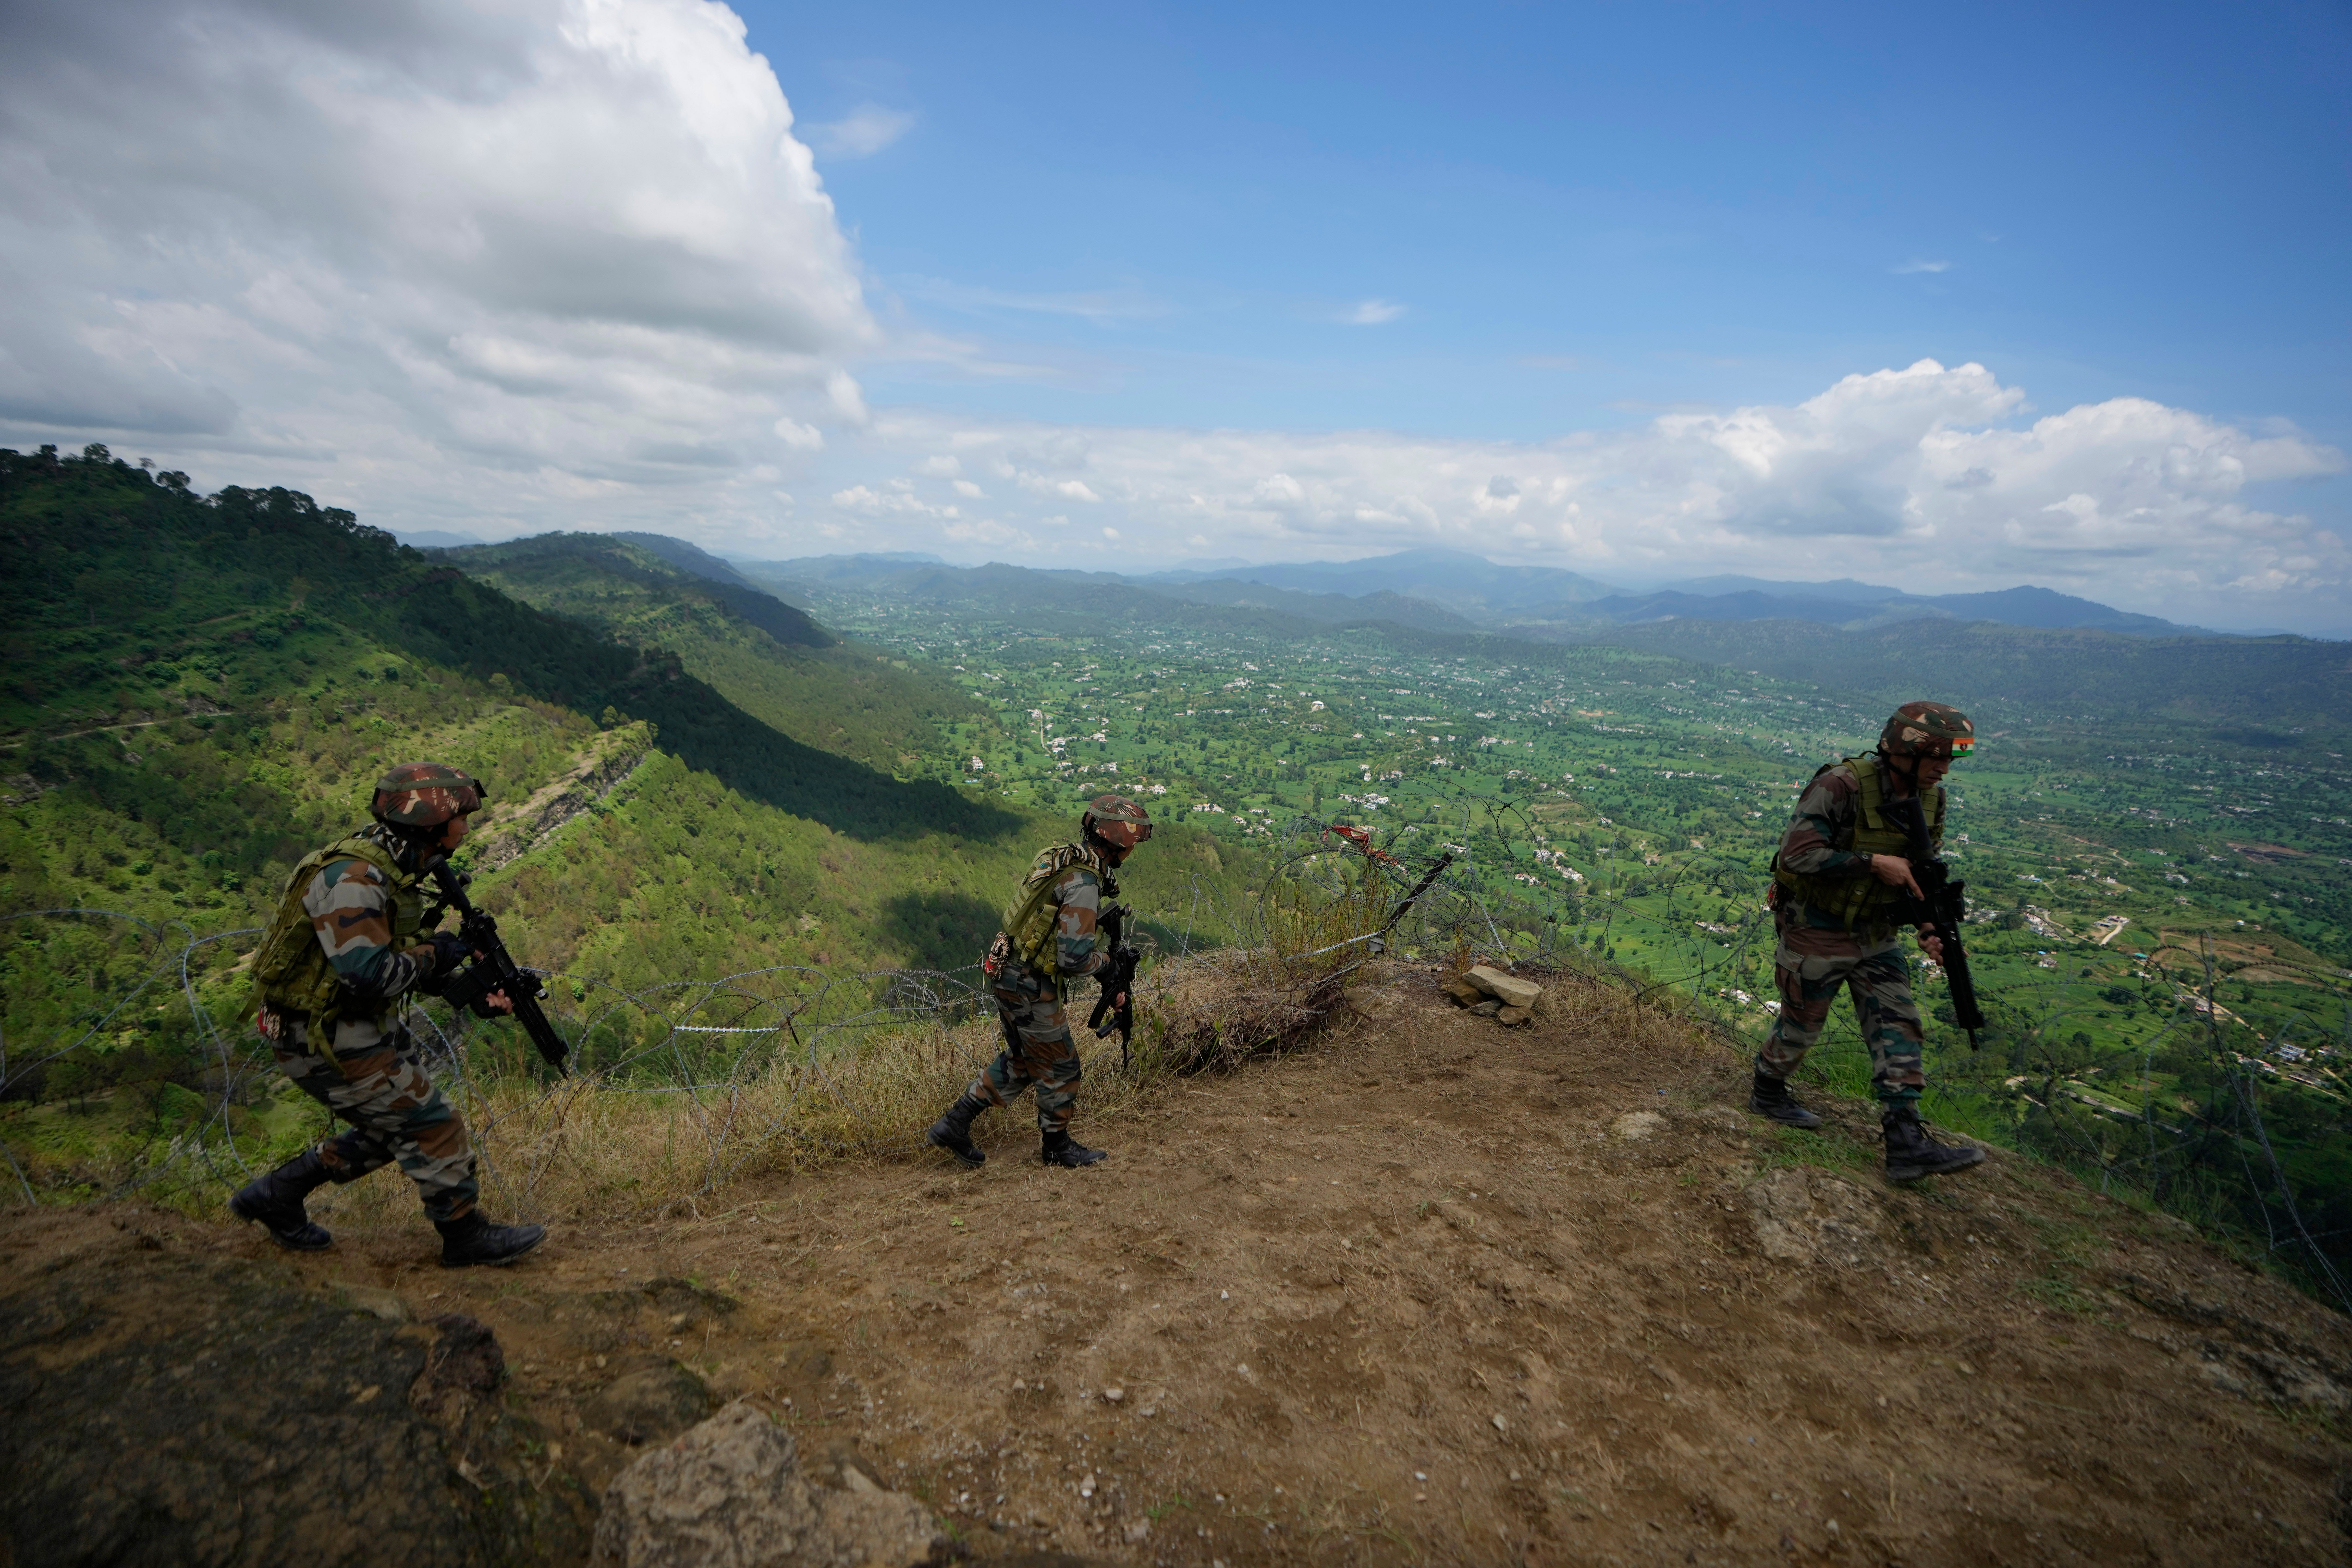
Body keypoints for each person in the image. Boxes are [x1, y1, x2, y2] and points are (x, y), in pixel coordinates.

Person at [230, 762, 548, 1265]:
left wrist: (463, 986)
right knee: (433, 1123)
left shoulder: (395, 865)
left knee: (391, 1128)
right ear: (431, 825)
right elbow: (369, 976)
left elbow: (392, 955)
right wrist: (438, 954)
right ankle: (465, 1237)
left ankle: (276, 1195)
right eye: (461, 818)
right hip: (320, 1036)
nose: (467, 828)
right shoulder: (354, 879)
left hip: (349, 1024)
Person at [1752, 703, 1987, 1183]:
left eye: (1949, 760)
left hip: (1877, 933)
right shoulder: (1842, 785)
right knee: (1801, 1027)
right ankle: (1768, 1090)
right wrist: (1872, 863)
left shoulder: (1931, 801)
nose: (1944, 770)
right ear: (1904, 751)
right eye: (1936, 758)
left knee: (1898, 1023)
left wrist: (1929, 927)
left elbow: (1918, 876)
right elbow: (1797, 855)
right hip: (1817, 925)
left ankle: (1905, 1140)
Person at [927, 794, 1152, 1170]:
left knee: (1026, 1059)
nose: (1131, 853)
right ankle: (1056, 1147)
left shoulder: (1061, 858)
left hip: (1010, 971)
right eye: (1131, 845)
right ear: (1117, 843)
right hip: (1031, 984)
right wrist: (1108, 965)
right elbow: (1073, 958)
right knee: (1062, 1066)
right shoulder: (1084, 883)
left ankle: (955, 1124)